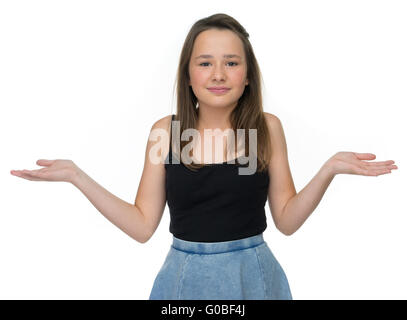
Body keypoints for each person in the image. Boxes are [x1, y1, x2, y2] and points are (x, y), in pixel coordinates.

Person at [10, 13, 398, 300]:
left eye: (231, 62)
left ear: (247, 76)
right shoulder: (167, 132)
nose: (218, 74)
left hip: (255, 280)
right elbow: (143, 225)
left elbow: (287, 220)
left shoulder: (264, 128)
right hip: (184, 280)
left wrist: (329, 169)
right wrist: (78, 176)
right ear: (188, 74)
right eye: (205, 62)